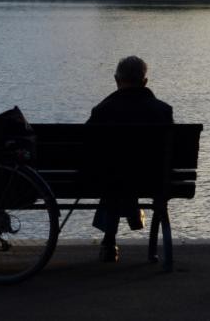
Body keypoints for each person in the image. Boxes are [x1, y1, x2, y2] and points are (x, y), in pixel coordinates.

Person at [87, 55, 174, 263]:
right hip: (153, 180)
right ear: (145, 82)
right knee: (128, 172)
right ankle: (134, 216)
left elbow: (86, 149)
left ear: (117, 80)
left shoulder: (102, 110)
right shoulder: (162, 111)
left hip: (107, 180)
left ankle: (109, 241)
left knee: (114, 173)